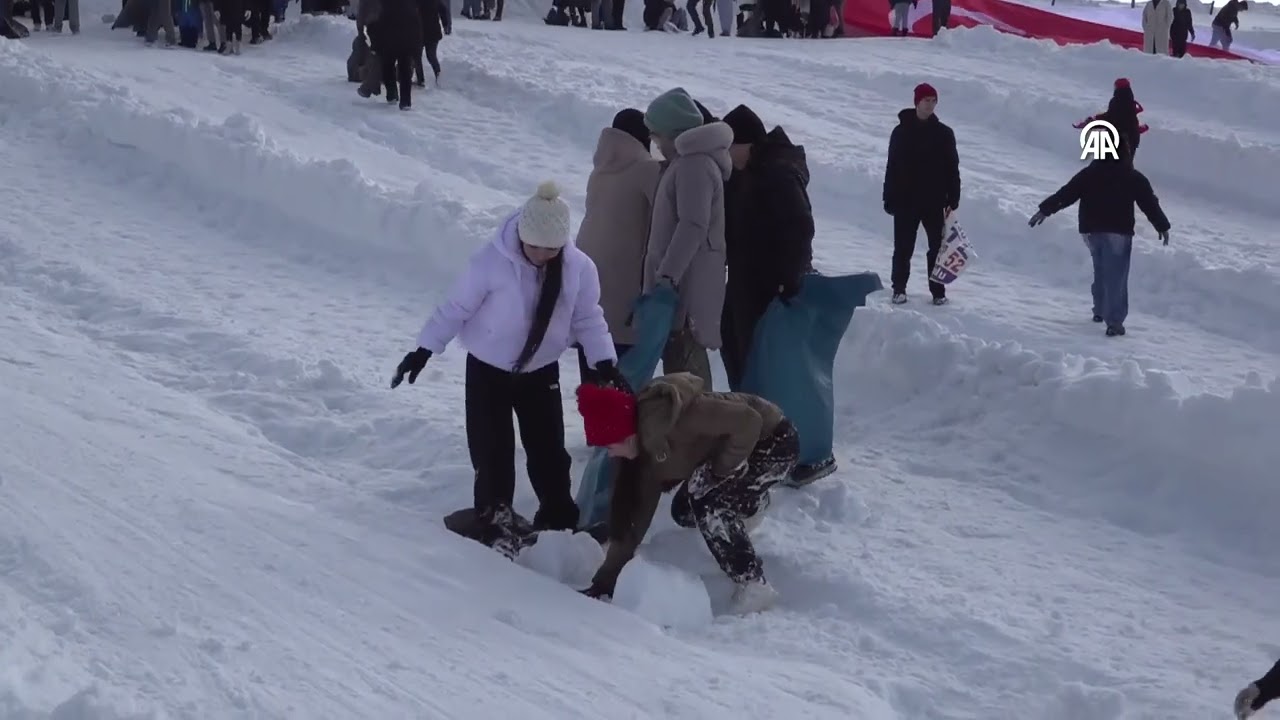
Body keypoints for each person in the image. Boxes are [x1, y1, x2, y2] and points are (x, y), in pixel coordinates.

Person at [390, 180, 628, 548]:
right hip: (488, 371)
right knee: (492, 450)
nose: (542, 254)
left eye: (551, 248)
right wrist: (423, 350)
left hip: (541, 371)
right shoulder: (491, 262)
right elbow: (455, 308)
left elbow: (588, 318)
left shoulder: (578, 268)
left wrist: (605, 362)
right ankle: (494, 516)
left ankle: (559, 520)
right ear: (522, 235)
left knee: (549, 450)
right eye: (535, 246)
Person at [576, 373, 799, 614]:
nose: (610, 453)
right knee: (684, 511)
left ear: (626, 434)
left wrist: (720, 471)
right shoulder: (638, 457)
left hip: (773, 441)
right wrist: (606, 581)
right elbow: (634, 518)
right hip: (736, 448)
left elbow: (749, 421)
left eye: (610, 445)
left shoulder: (680, 418)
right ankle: (748, 501)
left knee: (709, 504)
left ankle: (753, 583)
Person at [1028, 133, 1170, 337]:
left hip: (1091, 230)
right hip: (1118, 231)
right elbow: (1149, 203)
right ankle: (1114, 322)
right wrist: (1162, 225)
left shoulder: (1090, 173)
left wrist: (1045, 210)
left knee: (1101, 269)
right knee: (1116, 276)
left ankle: (1100, 310)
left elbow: (1066, 194)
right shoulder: (1133, 177)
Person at [642, 87, 734, 386]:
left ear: (672, 134)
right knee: (680, 370)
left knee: (687, 376)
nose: (654, 142)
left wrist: (667, 277)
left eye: (656, 134)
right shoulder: (686, 162)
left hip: (684, 291)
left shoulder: (694, 164)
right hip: (680, 286)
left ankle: (699, 418)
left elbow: (693, 224)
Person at [719, 104, 814, 391]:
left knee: (758, 361)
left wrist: (788, 280)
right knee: (734, 348)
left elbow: (800, 227)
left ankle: (760, 413)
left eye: (730, 147)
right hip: (744, 280)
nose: (726, 155)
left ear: (747, 144)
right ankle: (746, 406)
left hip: (767, 289)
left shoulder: (777, 174)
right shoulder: (748, 171)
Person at [573, 108, 662, 385]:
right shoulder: (648, 169)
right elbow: (666, 220)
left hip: (588, 275)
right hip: (624, 282)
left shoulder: (600, 168)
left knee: (592, 369)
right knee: (621, 381)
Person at [882, 82, 960, 306]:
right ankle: (899, 289)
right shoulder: (900, 132)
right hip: (905, 201)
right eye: (927, 100)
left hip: (934, 201)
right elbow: (892, 166)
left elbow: (952, 168)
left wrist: (953, 197)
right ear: (917, 102)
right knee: (903, 247)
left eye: (934, 101)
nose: (930, 105)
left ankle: (938, 292)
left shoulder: (944, 134)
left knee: (937, 248)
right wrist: (888, 196)